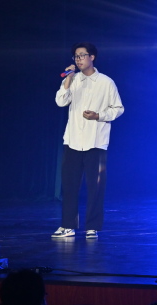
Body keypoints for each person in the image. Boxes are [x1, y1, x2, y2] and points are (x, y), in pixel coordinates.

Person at [52, 42, 124, 239]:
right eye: (76, 56)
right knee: (69, 186)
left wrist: (98, 116)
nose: (78, 59)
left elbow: (118, 108)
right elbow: (60, 101)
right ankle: (68, 226)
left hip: (96, 141)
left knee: (95, 188)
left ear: (92, 57)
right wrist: (68, 79)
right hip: (73, 140)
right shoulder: (72, 80)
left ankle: (92, 227)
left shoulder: (106, 82)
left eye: (82, 55)